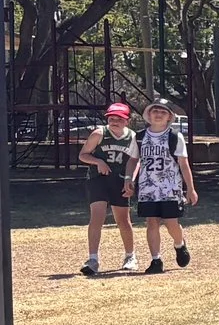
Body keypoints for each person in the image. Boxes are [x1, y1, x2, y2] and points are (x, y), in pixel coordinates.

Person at [129, 100, 198, 272]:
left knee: (170, 223)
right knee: (151, 222)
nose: (158, 114)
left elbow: (183, 164)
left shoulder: (174, 137)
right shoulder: (139, 137)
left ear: (169, 117)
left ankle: (179, 244)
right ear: (148, 115)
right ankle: (156, 260)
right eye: (155, 111)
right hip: (147, 188)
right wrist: (128, 178)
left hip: (170, 187)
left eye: (163, 112)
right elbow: (133, 160)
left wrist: (190, 188)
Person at [77, 101, 140, 277]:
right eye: (112, 118)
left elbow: (134, 161)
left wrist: (130, 180)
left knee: (123, 220)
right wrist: (98, 161)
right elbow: (82, 155)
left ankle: (130, 256)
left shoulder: (132, 137)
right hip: (98, 179)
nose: (114, 121)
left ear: (127, 120)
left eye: (119, 119)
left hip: (119, 180)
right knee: (97, 216)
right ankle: (93, 259)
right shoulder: (99, 134)